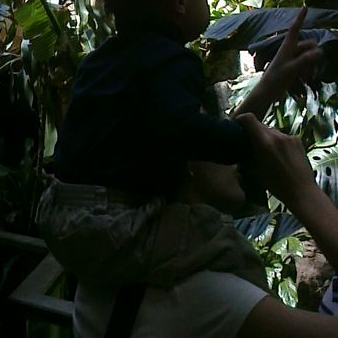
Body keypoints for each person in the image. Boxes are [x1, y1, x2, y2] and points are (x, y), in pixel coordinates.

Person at [37, 0, 321, 298]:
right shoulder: (173, 61)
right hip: (114, 223)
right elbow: (184, 130)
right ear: (182, 0)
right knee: (232, 251)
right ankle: (251, 314)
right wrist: (251, 142)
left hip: (59, 214)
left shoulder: (98, 63)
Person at [72, 117, 338, 337]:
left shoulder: (113, 256)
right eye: (213, 136)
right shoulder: (210, 300)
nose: (233, 158)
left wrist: (275, 79)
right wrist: (303, 191)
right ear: (189, 164)